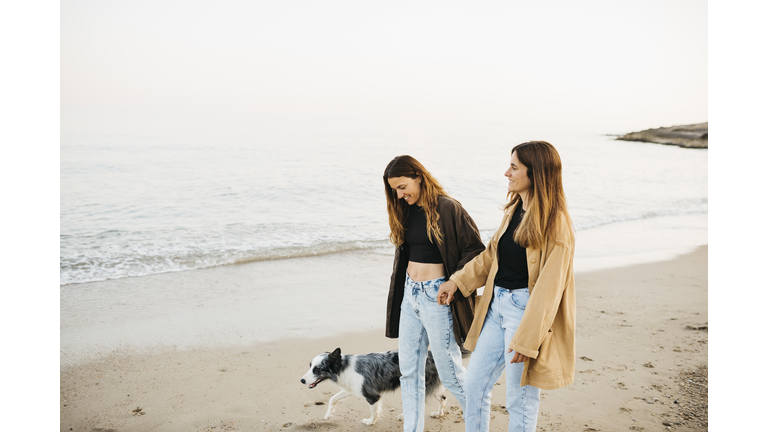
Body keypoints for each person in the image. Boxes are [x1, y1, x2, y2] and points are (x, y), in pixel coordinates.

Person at [436, 141, 576, 432]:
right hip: (495, 306)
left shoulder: (556, 223)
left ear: (535, 173)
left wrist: (529, 337)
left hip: (524, 313)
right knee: (474, 385)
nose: (506, 173)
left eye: (514, 167)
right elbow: (491, 256)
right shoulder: (514, 210)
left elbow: (550, 289)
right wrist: (457, 282)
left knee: (520, 398)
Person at [383, 155, 485, 432]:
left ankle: (478, 425)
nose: (400, 194)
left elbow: (475, 250)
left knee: (450, 374)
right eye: (395, 190)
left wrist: (453, 282)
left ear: (419, 176)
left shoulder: (448, 208)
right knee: (409, 373)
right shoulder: (404, 209)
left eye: (403, 186)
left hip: (437, 298)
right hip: (410, 296)